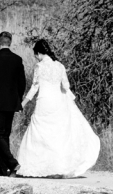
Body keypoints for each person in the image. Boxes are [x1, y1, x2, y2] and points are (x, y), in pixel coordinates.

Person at [17, 39, 100, 178]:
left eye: (35, 54)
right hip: (58, 102)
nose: (36, 57)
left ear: (38, 53)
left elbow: (34, 88)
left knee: (41, 134)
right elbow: (66, 87)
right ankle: (59, 167)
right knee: (58, 134)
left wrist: (22, 103)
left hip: (44, 102)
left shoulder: (39, 67)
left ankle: (40, 166)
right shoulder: (60, 66)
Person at [0, 31, 26, 177]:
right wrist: (17, 99)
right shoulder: (17, 59)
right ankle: (3, 170)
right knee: (5, 135)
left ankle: (11, 162)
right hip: (12, 103)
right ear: (10, 42)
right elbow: (22, 83)